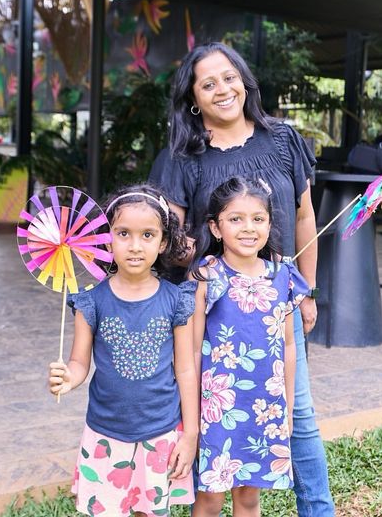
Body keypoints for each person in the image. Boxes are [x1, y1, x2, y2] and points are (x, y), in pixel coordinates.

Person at [149, 41, 335, 516]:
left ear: (245, 80)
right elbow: (168, 234)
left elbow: (304, 218)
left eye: (229, 77)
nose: (222, 89)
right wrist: (181, 250)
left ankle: (318, 510)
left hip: (277, 297)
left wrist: (307, 290)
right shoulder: (183, 154)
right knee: (212, 415)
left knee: (299, 416)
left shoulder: (283, 138)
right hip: (212, 308)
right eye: (207, 83)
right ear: (194, 97)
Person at [48, 183, 199, 517]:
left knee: (152, 511)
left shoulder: (176, 301)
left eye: (147, 235)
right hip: (105, 431)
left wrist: (190, 434)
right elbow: (79, 362)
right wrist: (67, 378)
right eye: (123, 233)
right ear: (106, 237)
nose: (135, 245)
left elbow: (186, 369)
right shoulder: (92, 298)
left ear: (163, 242)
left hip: (161, 432)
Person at [190, 177, 309, 516]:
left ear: (270, 224)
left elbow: (288, 345)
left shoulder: (282, 276)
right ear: (215, 227)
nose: (248, 228)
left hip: (264, 408)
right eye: (235, 219)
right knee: (210, 497)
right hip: (216, 408)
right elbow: (193, 348)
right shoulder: (206, 276)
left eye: (258, 218)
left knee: (248, 497)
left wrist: (285, 407)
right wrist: (194, 411)